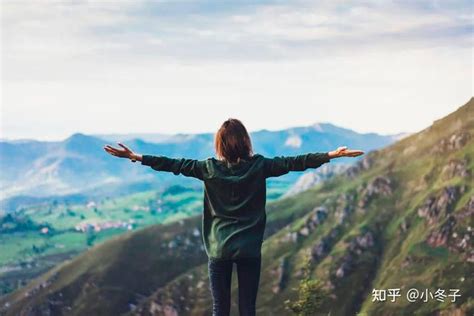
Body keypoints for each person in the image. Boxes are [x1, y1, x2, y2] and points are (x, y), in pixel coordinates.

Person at [103, 118, 364, 316]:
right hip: (249, 249)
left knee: (221, 308)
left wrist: (136, 157)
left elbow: (173, 164)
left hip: (219, 249)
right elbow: (295, 162)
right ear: (245, 142)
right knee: (247, 308)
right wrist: (332, 155)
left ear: (220, 144)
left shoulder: (207, 168)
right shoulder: (260, 166)